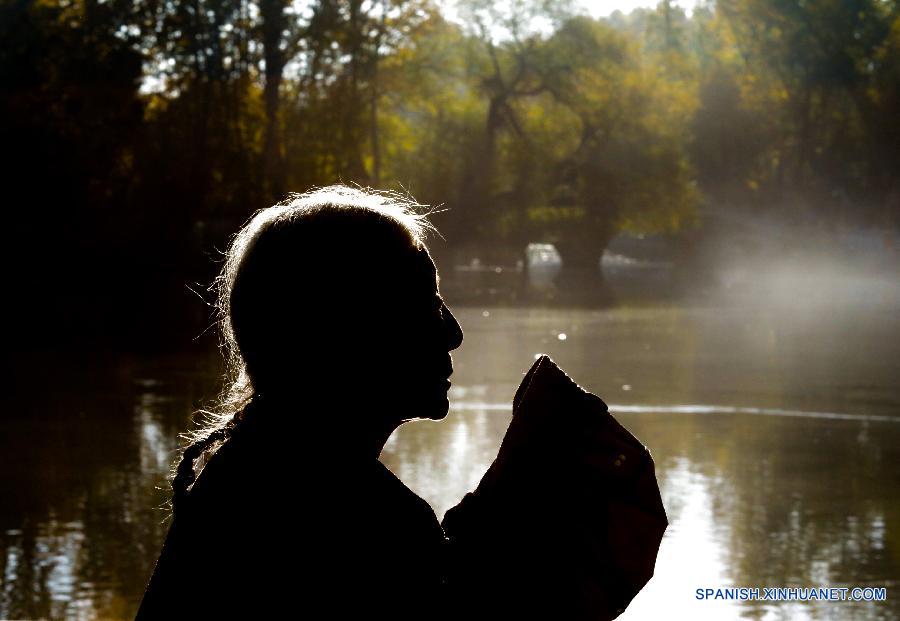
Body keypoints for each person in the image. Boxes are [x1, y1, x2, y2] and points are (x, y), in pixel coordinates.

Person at [135, 185, 463, 619]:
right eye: (426, 307)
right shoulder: (368, 524)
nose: (453, 334)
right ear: (349, 328)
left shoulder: (240, 476)